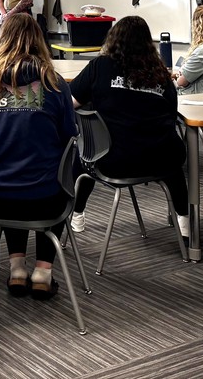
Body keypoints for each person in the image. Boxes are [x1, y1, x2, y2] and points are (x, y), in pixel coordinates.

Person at [0, 13, 76, 299]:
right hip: (43, 199)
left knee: (10, 166)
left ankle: (17, 269)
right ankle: (43, 273)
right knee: (51, 173)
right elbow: (68, 136)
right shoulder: (53, 83)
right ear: (38, 40)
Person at [68, 16, 190, 236]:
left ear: (114, 39)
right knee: (174, 165)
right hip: (159, 160)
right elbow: (172, 116)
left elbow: (70, 102)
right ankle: (184, 222)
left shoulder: (99, 66)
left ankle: (77, 213)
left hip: (110, 161)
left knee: (85, 150)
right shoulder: (161, 74)